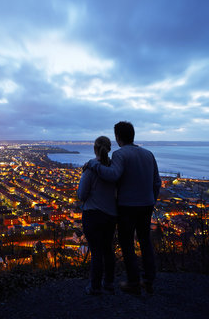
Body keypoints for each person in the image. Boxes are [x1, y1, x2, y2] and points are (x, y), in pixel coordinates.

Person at [89, 121, 161, 294]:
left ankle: (133, 282)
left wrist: (94, 164)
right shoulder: (148, 154)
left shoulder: (121, 154)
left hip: (127, 206)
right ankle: (149, 280)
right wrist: (151, 199)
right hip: (147, 204)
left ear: (117, 137)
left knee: (127, 243)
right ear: (133, 135)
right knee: (145, 240)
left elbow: (113, 175)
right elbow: (157, 182)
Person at [77, 136, 117, 295]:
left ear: (94, 149)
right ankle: (109, 283)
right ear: (109, 149)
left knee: (96, 252)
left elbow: (81, 194)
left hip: (92, 214)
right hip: (111, 215)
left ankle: (95, 286)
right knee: (108, 249)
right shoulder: (115, 169)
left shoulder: (91, 169)